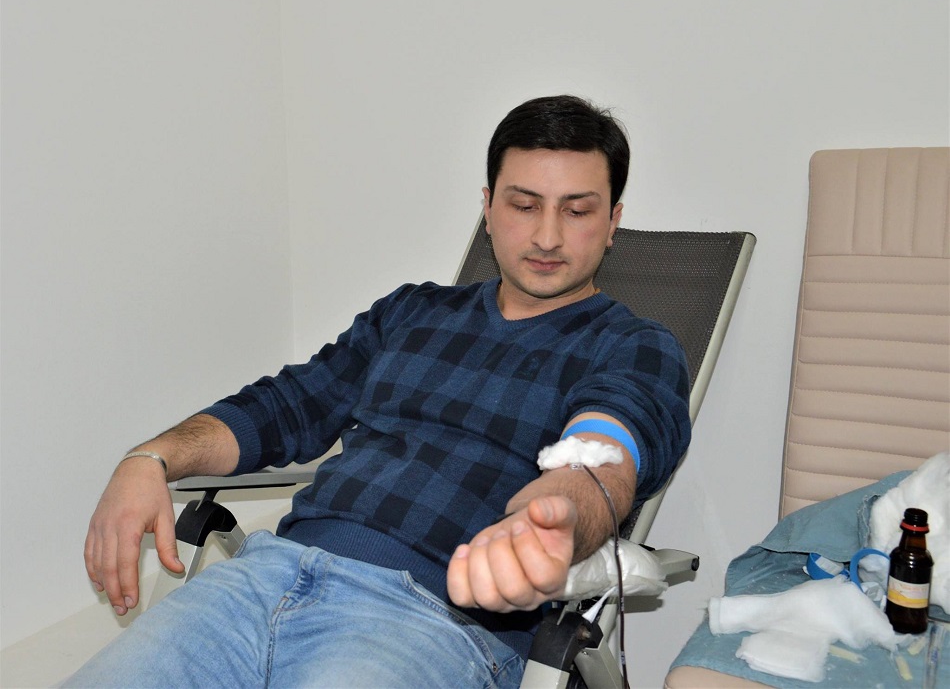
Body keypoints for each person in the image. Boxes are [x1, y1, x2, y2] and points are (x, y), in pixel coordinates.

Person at [69, 95, 691, 688]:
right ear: (487, 207)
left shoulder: (632, 346)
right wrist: (150, 458)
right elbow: (289, 406)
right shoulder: (411, 311)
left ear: (613, 221)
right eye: (524, 205)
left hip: (428, 621)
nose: (548, 236)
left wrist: (555, 518)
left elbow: (603, 453)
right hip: (260, 580)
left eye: (577, 211)